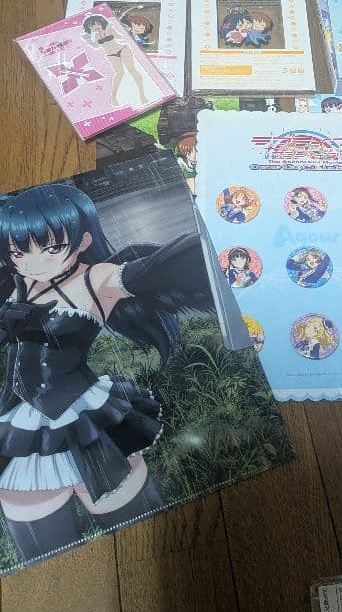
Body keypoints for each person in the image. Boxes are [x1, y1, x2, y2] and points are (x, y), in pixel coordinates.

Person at [0, 183, 213, 563]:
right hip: (23, 421)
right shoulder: (19, 282)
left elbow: (161, 267)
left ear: (82, 240)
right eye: (18, 252)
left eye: (51, 248)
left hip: (82, 414)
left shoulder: (97, 278)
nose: (33, 262)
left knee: (144, 541)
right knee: (44, 555)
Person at [82, 13, 149, 108]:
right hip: (111, 55)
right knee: (119, 73)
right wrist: (88, 40)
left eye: (98, 24)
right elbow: (96, 46)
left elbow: (120, 37)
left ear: (102, 23)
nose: (96, 27)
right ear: (89, 28)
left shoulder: (109, 29)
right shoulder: (96, 36)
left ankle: (142, 94)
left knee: (131, 70)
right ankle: (113, 96)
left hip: (123, 50)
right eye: (92, 26)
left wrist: (115, 28)